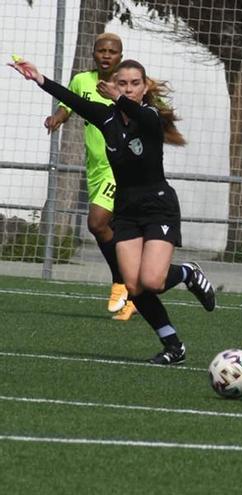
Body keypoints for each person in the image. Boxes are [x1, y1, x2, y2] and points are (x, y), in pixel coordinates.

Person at [10, 57, 217, 364]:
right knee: (133, 286)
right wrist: (40, 78)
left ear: (145, 88)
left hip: (158, 206)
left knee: (154, 282)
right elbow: (73, 101)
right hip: (127, 209)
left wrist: (118, 97)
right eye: (123, 83)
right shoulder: (106, 118)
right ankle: (173, 346)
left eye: (135, 83)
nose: (129, 89)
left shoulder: (149, 116)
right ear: (112, 84)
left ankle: (187, 272)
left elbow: (138, 114)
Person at [44, 33, 136, 320]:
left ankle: (121, 282)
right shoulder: (82, 80)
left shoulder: (124, 86)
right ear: (94, 54)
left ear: (120, 56)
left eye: (112, 51)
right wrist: (57, 118)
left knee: (96, 221)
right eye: (101, 50)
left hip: (118, 166)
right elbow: (68, 105)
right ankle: (131, 291)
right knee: (112, 229)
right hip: (95, 168)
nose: (106, 55)